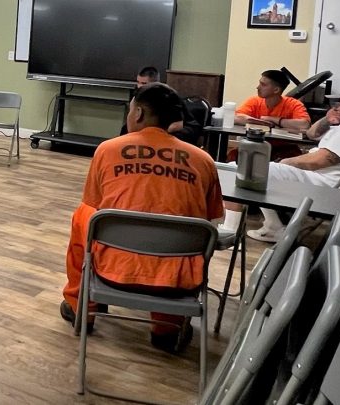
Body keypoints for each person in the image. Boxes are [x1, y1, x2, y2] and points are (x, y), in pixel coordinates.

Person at [62, 83, 224, 352]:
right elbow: (213, 219)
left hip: (112, 265)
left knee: (85, 216)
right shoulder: (203, 160)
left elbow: (94, 204)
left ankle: (83, 308)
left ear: (137, 113)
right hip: (176, 280)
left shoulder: (107, 150)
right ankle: (166, 329)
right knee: (192, 228)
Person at [220, 84, 340, 242]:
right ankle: (273, 226)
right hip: (331, 181)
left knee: (243, 171)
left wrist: (286, 162)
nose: (338, 106)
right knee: (257, 171)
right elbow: (311, 134)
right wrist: (327, 120)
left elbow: (319, 161)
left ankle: (230, 233)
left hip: (321, 184)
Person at [230, 69, 312, 161]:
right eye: (259, 83)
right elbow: (236, 117)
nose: (258, 87)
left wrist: (273, 119)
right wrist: (262, 122)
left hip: (284, 149)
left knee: (291, 159)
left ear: (276, 90)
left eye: (263, 85)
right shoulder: (254, 101)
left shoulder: (293, 104)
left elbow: (305, 124)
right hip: (256, 144)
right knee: (233, 156)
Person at [120, 66, 203, 145]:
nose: (139, 86)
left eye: (144, 83)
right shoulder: (136, 98)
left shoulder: (170, 99)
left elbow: (191, 126)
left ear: (155, 84)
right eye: (138, 82)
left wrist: (169, 133)